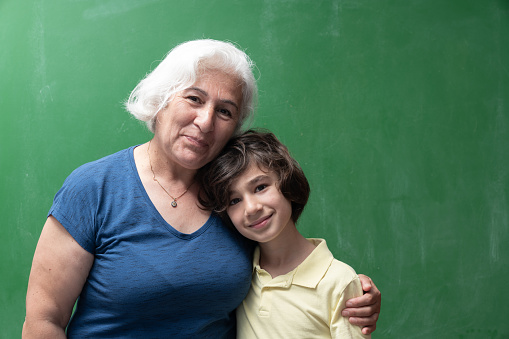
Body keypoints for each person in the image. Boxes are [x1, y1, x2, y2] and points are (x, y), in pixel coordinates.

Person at [22, 39, 380, 338]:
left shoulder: (234, 200)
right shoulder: (93, 187)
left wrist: (349, 291)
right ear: (160, 100)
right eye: (194, 98)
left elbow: (283, 268)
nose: (205, 121)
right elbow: (43, 320)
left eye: (225, 111)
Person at [198, 129, 372, 338]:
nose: (251, 208)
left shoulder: (339, 281)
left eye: (260, 187)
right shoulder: (240, 274)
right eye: (234, 200)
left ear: (287, 181)